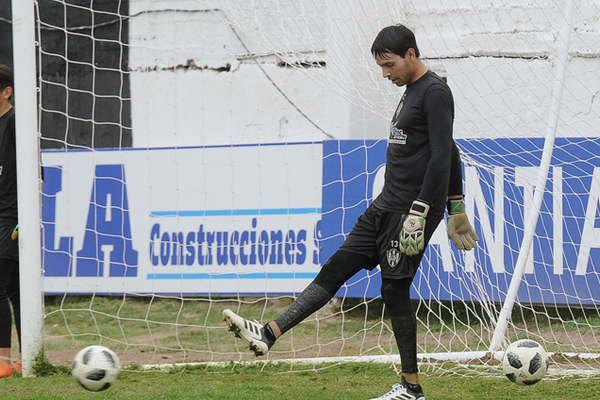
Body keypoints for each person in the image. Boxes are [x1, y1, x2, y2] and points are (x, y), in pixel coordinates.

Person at [222, 25, 478, 400]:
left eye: (389, 65)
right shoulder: (410, 92)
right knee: (337, 266)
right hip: (386, 206)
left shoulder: (436, 92)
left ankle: (411, 388)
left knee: (394, 289)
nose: (385, 73)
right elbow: (448, 149)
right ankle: (269, 332)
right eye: (381, 67)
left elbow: (444, 154)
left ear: (410, 54)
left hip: (411, 211)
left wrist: (432, 211)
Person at [0, 64, 21, 378]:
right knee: (17, 289)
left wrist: (28, 218)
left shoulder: (17, 123)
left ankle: (3, 359)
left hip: (13, 216)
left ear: (6, 91)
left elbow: (37, 173)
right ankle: (28, 357)